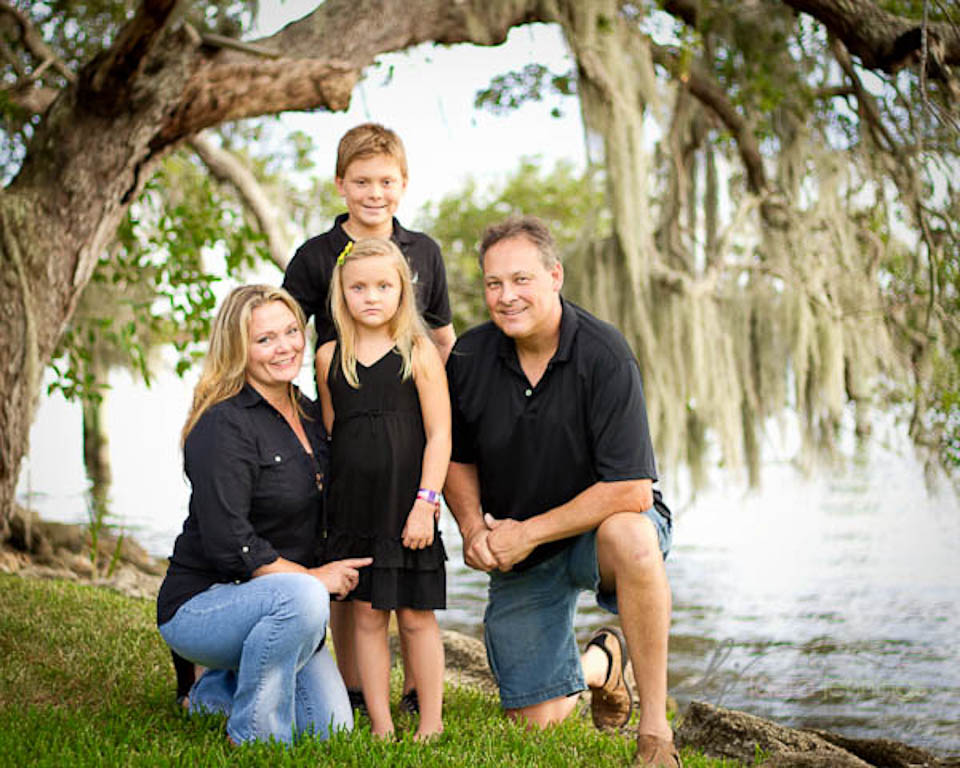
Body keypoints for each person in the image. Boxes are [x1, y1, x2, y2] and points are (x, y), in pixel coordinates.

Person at [443, 216, 681, 768]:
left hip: (596, 534)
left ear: (555, 276)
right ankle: (604, 664)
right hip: (523, 552)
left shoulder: (604, 354)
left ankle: (655, 730)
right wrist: (475, 528)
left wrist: (527, 533)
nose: (506, 297)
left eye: (521, 280)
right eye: (493, 283)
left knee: (633, 536)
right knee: (537, 724)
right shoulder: (470, 359)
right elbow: (456, 459)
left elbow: (631, 488)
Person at [283, 122, 455, 712]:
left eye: (386, 181)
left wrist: (443, 402)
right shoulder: (314, 257)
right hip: (350, 418)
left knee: (412, 597)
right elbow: (285, 331)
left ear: (403, 184)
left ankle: (416, 697)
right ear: (341, 185)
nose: (374, 192)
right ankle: (356, 693)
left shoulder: (424, 252)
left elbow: (445, 336)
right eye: (361, 181)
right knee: (355, 591)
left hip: (410, 428)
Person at [156, 284, 371, 746]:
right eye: (265, 339)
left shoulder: (310, 414)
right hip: (204, 605)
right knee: (304, 596)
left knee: (331, 729)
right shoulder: (221, 424)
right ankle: (254, 735)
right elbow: (232, 544)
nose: (285, 347)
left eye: (292, 331)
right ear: (239, 349)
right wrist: (316, 578)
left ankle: (212, 691)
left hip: (282, 605)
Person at [316, 237, 450, 740]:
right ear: (341, 293)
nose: (370, 296)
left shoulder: (419, 351)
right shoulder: (331, 356)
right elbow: (335, 434)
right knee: (369, 618)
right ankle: (380, 724)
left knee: (415, 617)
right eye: (358, 287)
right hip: (354, 510)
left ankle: (431, 723)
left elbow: (439, 435)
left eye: (383, 286)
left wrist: (426, 503)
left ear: (402, 291)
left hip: (407, 508)